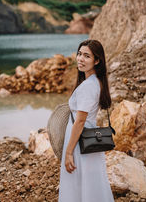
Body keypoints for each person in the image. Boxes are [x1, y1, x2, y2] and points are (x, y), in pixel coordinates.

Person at [58, 39, 114, 202]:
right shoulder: (95, 82)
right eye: (79, 54)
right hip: (88, 139)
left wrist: (68, 152)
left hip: (80, 141)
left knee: (77, 185)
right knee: (91, 185)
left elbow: (80, 121)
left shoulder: (88, 86)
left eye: (87, 56)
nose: (80, 59)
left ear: (97, 61)